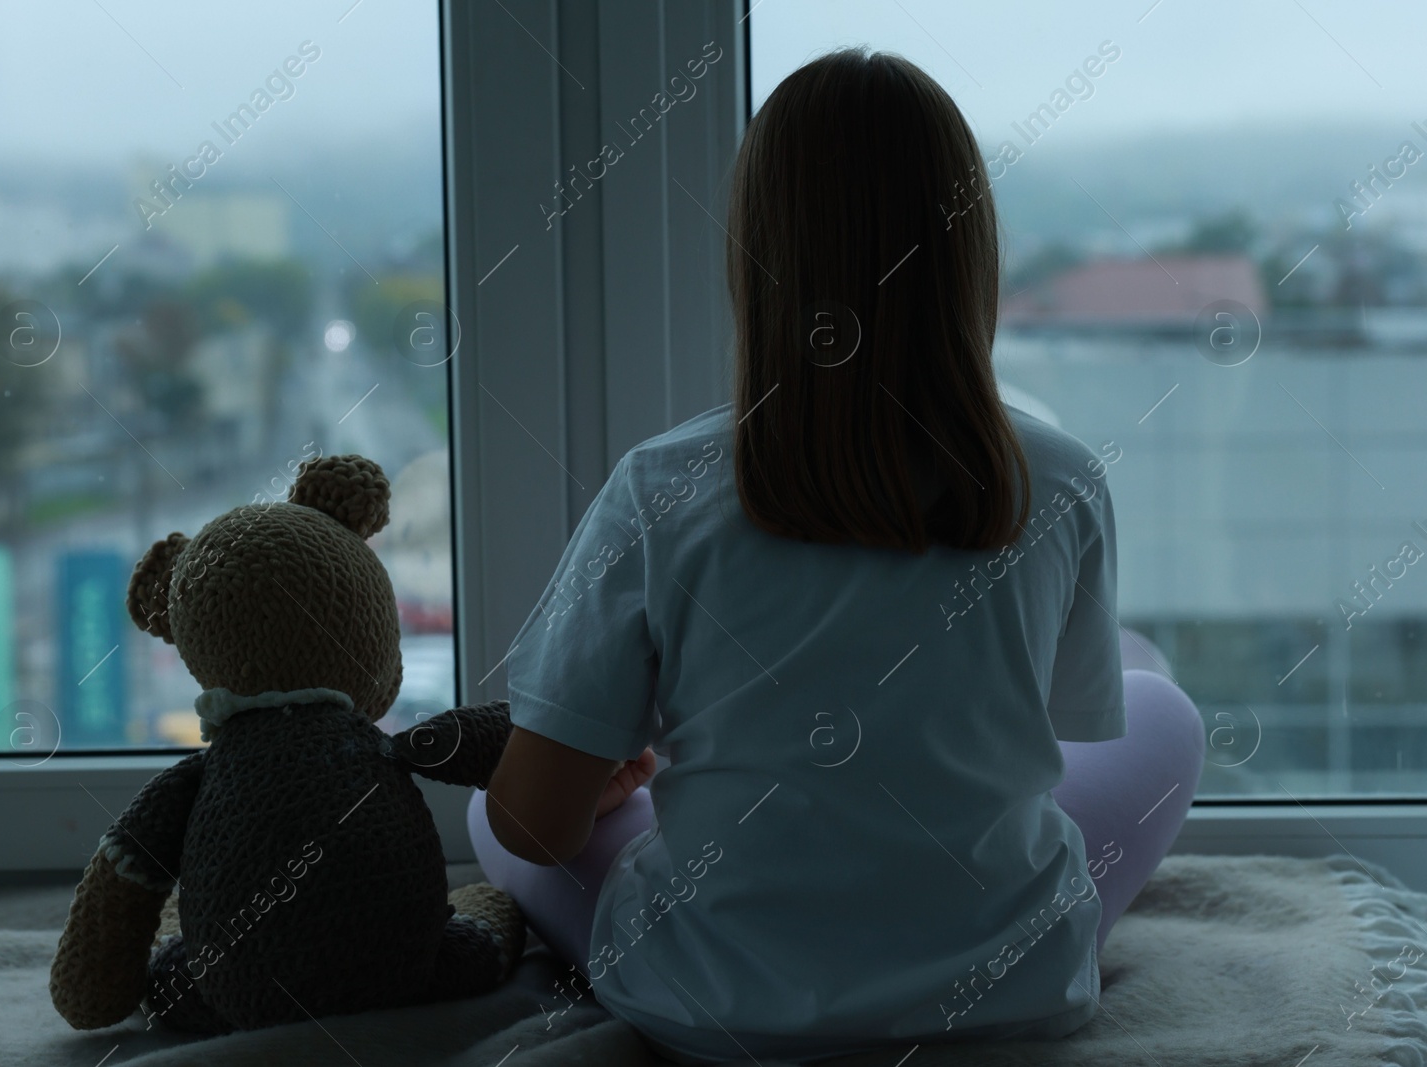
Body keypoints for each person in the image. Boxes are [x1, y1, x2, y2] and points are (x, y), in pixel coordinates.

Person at [467, 46, 1205, 1065]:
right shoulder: (1061, 478)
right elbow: (1063, 731)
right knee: (1157, 705)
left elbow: (535, 826)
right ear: (969, 254)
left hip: (715, 1006)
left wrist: (591, 789)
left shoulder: (661, 486)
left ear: (759, 259)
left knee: (488, 807)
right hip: (1005, 991)